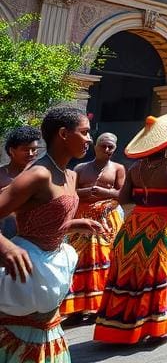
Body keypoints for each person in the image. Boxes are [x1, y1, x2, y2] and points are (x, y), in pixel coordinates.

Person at [0, 107, 105, 362]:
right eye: (84, 132)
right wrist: (7, 247)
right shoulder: (39, 174)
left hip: (51, 265)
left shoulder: (70, 174)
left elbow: (44, 217)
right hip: (27, 272)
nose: (90, 139)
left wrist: (75, 223)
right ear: (63, 134)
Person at [93, 112, 167, 344]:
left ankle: (118, 327)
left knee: (129, 276)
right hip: (162, 227)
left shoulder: (135, 168)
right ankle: (153, 326)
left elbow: (125, 198)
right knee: (156, 275)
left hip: (133, 227)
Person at [61, 131, 126, 319]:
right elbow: (70, 193)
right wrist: (88, 191)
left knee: (104, 262)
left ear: (115, 149)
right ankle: (76, 308)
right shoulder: (80, 168)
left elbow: (123, 194)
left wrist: (105, 192)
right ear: (95, 146)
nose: (106, 149)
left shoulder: (118, 168)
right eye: (102, 146)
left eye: (110, 147)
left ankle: (100, 306)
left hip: (107, 221)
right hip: (81, 221)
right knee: (78, 262)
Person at [0, 126, 41, 239]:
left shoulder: (41, 175)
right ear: (12, 151)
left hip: (36, 240)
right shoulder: (2, 176)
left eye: (34, 149)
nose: (31, 153)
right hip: (7, 240)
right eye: (26, 150)